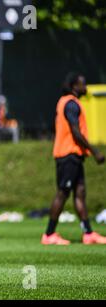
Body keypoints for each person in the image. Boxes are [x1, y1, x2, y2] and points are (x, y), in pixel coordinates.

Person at [41, 73, 106, 245]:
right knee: (63, 193)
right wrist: (94, 151)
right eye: (83, 85)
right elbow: (76, 132)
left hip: (75, 155)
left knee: (80, 193)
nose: (85, 88)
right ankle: (49, 234)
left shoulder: (71, 103)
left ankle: (88, 233)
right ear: (74, 86)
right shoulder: (70, 103)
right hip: (67, 154)